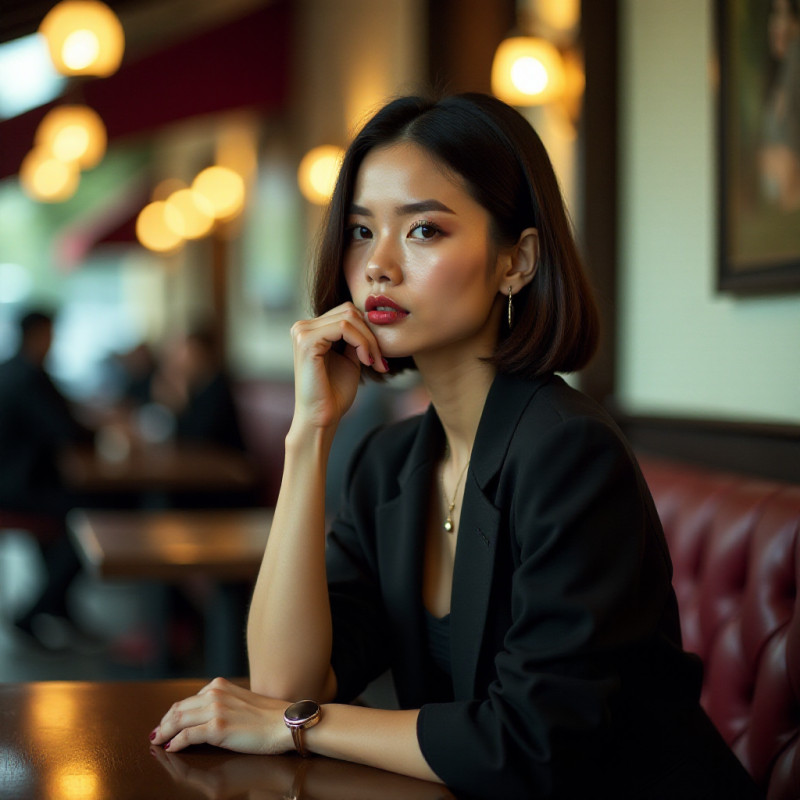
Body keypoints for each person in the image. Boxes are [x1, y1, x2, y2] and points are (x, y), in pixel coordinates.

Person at [151, 94, 760, 798]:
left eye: (424, 231)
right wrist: (308, 434)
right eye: (358, 229)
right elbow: (287, 682)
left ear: (517, 263)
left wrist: (300, 726)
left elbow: (530, 746)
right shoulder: (392, 462)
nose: (377, 264)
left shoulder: (568, 453)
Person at [0, 310, 92, 645]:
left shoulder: (18, 370)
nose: (54, 342)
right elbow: (64, 427)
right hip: (15, 488)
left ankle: (58, 610)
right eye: (51, 334)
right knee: (86, 523)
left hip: (24, 481)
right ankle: (34, 613)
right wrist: (102, 432)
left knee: (76, 516)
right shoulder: (24, 377)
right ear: (37, 335)